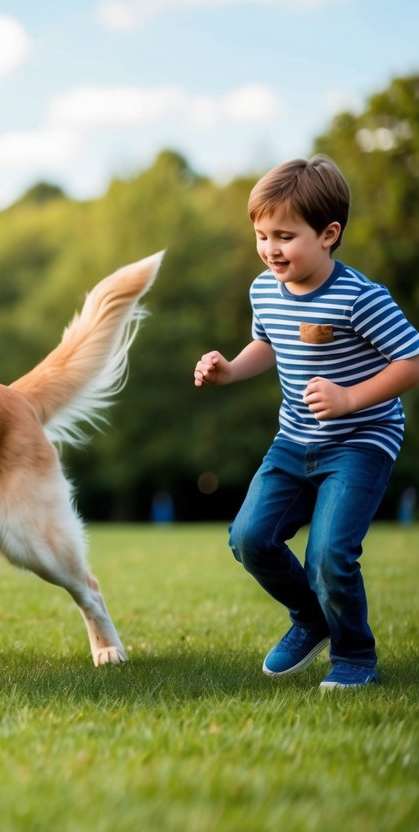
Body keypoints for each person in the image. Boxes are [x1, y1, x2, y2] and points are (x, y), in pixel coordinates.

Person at [194, 155, 419, 691]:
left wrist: (350, 399)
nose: (270, 248)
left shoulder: (360, 296)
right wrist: (229, 371)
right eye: (261, 234)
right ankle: (312, 617)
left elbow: (411, 359)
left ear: (328, 234)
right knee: (250, 538)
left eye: (285, 235)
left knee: (329, 554)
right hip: (294, 440)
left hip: (362, 442)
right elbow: (266, 345)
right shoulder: (264, 289)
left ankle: (355, 655)